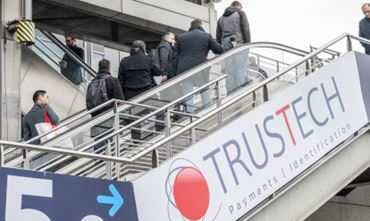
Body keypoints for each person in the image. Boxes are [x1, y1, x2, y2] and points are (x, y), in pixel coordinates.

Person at [172, 19, 236, 113]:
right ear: (201, 25)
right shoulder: (206, 36)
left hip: (184, 71)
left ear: (191, 26)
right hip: (200, 69)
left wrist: (174, 74)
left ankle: (190, 116)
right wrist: (231, 44)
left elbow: (174, 57)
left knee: (188, 96)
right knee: (205, 91)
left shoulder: (181, 37)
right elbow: (219, 49)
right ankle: (209, 110)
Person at [119, 40, 162, 140]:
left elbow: (120, 80)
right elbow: (158, 72)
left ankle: (136, 141)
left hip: (130, 95)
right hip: (146, 94)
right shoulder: (148, 60)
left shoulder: (124, 61)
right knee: (161, 108)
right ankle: (159, 132)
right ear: (143, 48)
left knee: (135, 118)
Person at [86, 59, 124, 153]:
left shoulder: (92, 82)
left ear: (99, 67)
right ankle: (110, 165)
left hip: (96, 116)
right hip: (109, 115)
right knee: (110, 140)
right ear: (109, 67)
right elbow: (120, 100)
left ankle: (99, 164)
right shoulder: (113, 80)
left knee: (98, 140)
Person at [217, 0, 251, 94]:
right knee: (240, 69)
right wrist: (248, 44)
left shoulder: (220, 19)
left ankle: (230, 94)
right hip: (239, 43)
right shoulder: (240, 13)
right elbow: (245, 29)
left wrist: (222, 48)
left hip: (226, 46)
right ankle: (240, 93)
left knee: (229, 72)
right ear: (238, 7)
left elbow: (218, 37)